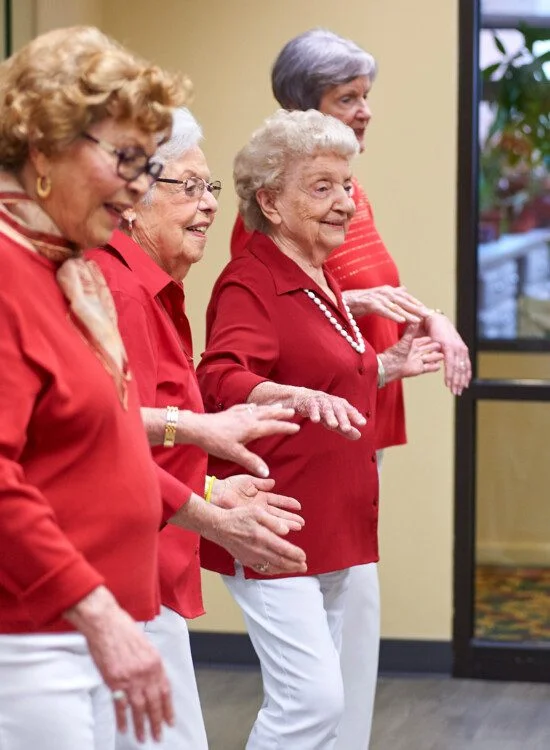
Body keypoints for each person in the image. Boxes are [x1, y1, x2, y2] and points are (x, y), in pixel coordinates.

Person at [230, 29, 473, 748]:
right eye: (348, 98)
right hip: (310, 442)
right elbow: (239, 365)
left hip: (356, 416)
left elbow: (364, 293)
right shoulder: (270, 237)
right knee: (319, 673)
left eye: (367, 96)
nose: (364, 110)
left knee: (352, 619)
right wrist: (378, 348)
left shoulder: (342, 202)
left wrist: (403, 342)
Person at [196, 108, 444, 749]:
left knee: (324, 707)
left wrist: (385, 366)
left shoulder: (318, 275)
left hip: (332, 521)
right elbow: (220, 377)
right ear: (271, 202)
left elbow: (326, 379)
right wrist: (281, 392)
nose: (345, 203)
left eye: (348, 186)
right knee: (310, 703)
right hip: (274, 521)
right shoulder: (253, 281)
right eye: (323, 187)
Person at [88, 107, 307, 750]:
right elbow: (104, 444)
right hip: (119, 580)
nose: (209, 205)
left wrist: (210, 491)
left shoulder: (150, 289)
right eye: (189, 187)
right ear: (131, 200)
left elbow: (144, 439)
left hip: (143, 572)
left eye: (210, 188)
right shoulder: (123, 293)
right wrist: (211, 502)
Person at [0, 25, 189, 750]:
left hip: (86, 629)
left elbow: (93, 449)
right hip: (33, 643)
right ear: (44, 148)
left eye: (150, 163)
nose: (142, 187)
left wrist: (194, 506)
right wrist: (100, 616)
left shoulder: (66, 273)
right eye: (126, 159)